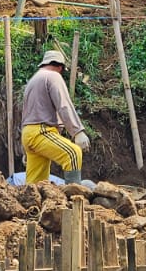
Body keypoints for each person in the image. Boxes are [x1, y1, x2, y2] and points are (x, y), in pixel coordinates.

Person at [19, 48, 93, 185]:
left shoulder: (33, 81)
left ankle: (32, 203)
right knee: (73, 154)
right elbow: (63, 105)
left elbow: (28, 112)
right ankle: (74, 199)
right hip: (41, 131)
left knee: (36, 184)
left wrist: (26, 148)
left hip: (28, 134)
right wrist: (77, 132)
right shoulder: (53, 76)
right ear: (59, 67)